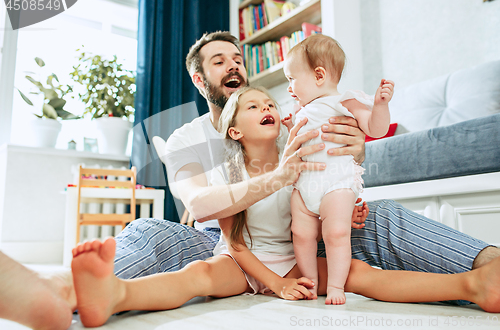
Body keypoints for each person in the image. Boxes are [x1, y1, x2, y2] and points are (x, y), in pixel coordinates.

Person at [70, 86, 500, 328]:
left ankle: (473, 285)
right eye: (253, 105)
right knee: (197, 274)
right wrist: (274, 286)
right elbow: (235, 244)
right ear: (234, 131)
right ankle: (116, 293)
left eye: (271, 103)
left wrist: (343, 214)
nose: (267, 108)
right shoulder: (229, 173)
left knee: (360, 275)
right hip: (241, 262)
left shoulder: (302, 163)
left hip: (296, 258)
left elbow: (313, 215)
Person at [280, 34, 394, 304]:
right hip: (304, 185)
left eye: (291, 79)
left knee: (337, 233)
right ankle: (311, 282)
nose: (289, 88)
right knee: (301, 233)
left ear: (319, 75)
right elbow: (299, 141)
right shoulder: (301, 109)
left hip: (336, 183)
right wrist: (289, 128)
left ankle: (335, 286)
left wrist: (380, 106)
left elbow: (374, 129)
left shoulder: (345, 101)